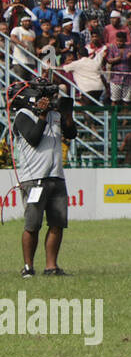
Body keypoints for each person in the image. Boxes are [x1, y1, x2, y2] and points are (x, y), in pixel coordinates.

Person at [12, 84, 77, 277]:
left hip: (56, 175)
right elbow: (33, 138)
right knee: (33, 224)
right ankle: (28, 267)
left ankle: (51, 266)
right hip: (34, 178)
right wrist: (41, 115)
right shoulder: (23, 115)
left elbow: (71, 134)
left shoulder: (55, 115)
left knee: (57, 223)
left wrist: (67, 115)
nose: (50, 100)